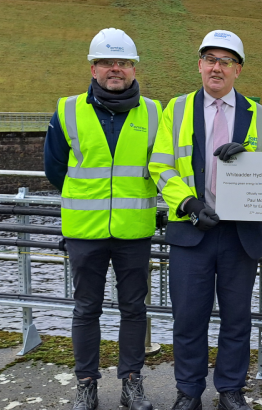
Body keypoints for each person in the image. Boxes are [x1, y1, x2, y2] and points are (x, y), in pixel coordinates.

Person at [148, 30, 262, 410]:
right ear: (200, 65)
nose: (217, 68)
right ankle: (188, 391)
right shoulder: (175, 109)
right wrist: (188, 203)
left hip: (241, 234)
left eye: (226, 61)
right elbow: (159, 165)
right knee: (189, 318)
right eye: (211, 60)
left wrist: (251, 157)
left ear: (238, 70)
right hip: (192, 231)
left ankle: (230, 390)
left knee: (237, 320)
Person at [43, 28, 162, 410]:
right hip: (85, 233)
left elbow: (162, 168)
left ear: (133, 68)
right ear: (93, 68)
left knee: (134, 309)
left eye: (123, 63)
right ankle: (86, 385)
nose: (116, 69)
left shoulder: (155, 113)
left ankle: (131, 383)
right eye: (108, 62)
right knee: (86, 309)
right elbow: (55, 169)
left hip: (133, 232)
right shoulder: (67, 109)